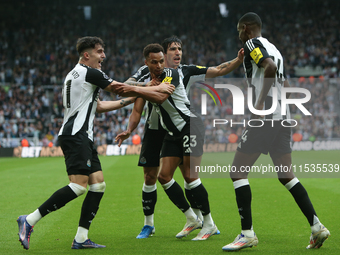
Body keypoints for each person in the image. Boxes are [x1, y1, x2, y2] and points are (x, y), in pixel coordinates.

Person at [16, 36, 174, 250]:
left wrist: (137, 96)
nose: (104, 56)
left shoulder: (74, 75)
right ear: (87, 55)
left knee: (98, 184)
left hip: (82, 135)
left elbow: (98, 106)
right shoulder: (90, 72)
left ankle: (81, 238)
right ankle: (29, 220)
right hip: (76, 134)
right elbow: (119, 87)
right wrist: (151, 90)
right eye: (100, 52)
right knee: (78, 186)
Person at [221, 13, 330, 251]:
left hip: (267, 116)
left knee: (237, 172)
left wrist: (259, 108)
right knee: (286, 175)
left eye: (240, 30)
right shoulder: (275, 49)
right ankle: (317, 227)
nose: (239, 35)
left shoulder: (252, 43)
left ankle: (247, 233)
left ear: (247, 28)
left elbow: (268, 68)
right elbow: (285, 81)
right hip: (282, 118)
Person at [116, 40, 243, 240]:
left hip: (190, 127)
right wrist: (141, 89)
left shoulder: (173, 74)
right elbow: (128, 89)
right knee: (163, 176)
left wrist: (139, 89)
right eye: (155, 61)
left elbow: (158, 97)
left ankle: (208, 223)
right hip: (170, 131)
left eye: (179, 49)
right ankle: (192, 219)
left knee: (191, 176)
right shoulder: (146, 73)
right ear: (151, 61)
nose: (159, 65)